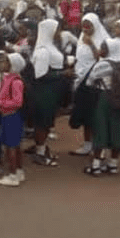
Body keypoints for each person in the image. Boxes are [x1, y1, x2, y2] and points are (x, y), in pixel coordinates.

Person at [83, 38, 120, 176]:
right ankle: (113, 164)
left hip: (105, 99)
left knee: (101, 130)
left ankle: (96, 165)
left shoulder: (102, 64)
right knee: (119, 130)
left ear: (107, 50)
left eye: (103, 48)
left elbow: (89, 82)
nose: (100, 50)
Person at [31, 19, 71, 167]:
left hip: (52, 91)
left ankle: (42, 148)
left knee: (48, 121)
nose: (59, 32)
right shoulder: (43, 51)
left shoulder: (50, 47)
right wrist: (62, 74)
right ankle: (39, 153)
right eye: (57, 29)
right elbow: (40, 75)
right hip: (44, 92)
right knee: (43, 122)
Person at [69, 13, 110, 156]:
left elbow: (102, 58)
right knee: (86, 115)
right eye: (84, 26)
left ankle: (98, 146)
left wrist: (91, 44)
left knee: (97, 116)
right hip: (81, 80)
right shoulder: (81, 37)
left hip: (96, 82)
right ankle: (87, 145)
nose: (86, 29)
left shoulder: (104, 40)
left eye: (89, 26)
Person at [0, 53, 27, 186]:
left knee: (11, 146)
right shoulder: (9, 79)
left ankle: (13, 174)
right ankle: (18, 171)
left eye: (7, 62)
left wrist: (1, 103)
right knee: (14, 145)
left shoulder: (16, 82)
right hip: (8, 116)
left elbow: (18, 102)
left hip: (11, 116)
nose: (4, 64)